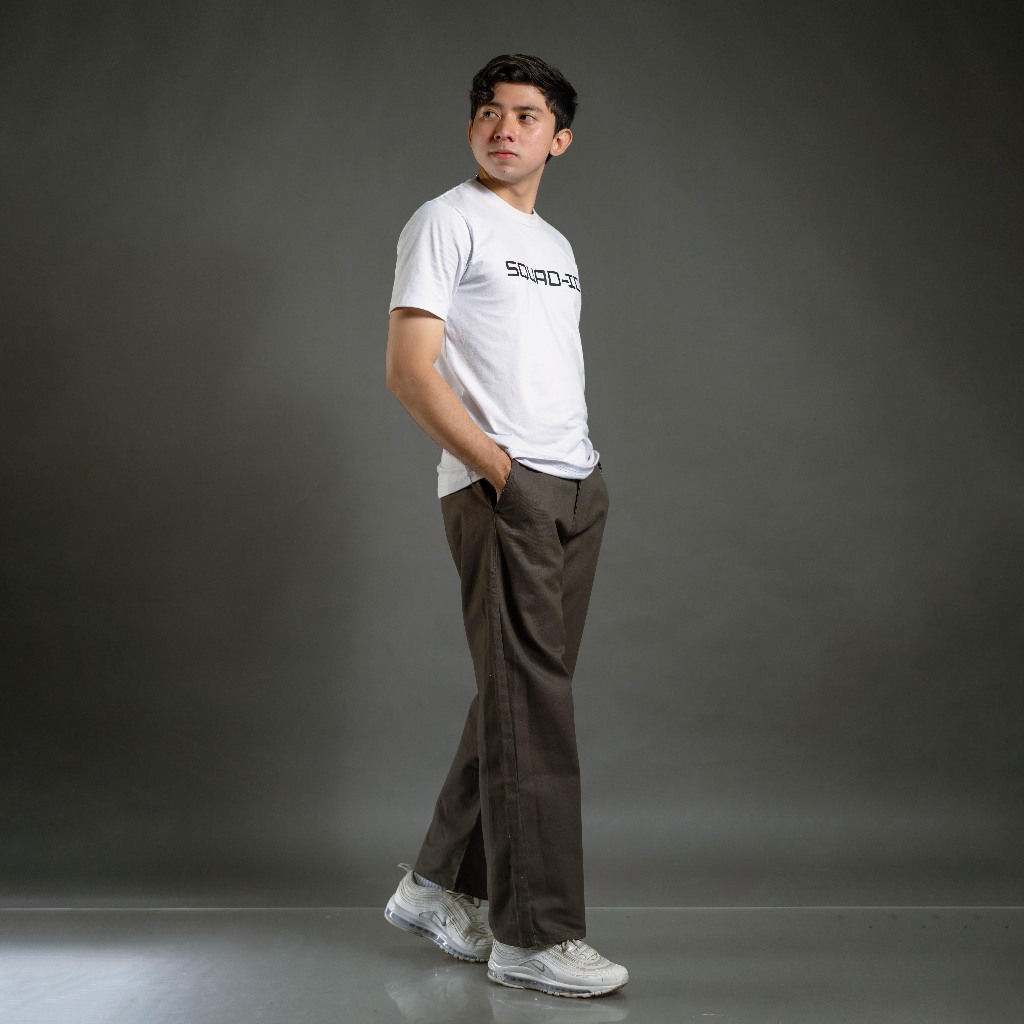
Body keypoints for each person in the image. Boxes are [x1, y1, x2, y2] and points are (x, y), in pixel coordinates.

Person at [383, 54, 627, 1000]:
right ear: (472, 128)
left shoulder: (556, 245)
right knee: (535, 710)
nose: (504, 128)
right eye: (489, 112)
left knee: (516, 700)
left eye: (526, 115)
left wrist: (580, 475)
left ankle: (434, 885)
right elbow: (410, 371)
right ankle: (534, 935)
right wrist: (503, 474)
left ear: (559, 139)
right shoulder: (445, 220)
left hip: (575, 486)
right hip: (505, 492)